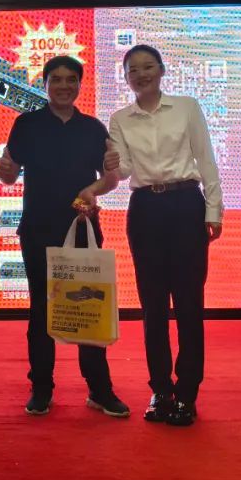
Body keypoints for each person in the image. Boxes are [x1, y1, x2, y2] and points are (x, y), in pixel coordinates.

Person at [94, 44, 222, 428]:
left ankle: (188, 392)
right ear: (125, 77)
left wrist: (213, 210)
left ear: (162, 70)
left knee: (188, 303)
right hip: (145, 209)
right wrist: (110, 165)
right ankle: (161, 390)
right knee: (152, 306)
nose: (141, 74)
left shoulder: (186, 107)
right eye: (133, 70)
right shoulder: (120, 118)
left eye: (148, 66)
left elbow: (207, 159)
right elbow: (124, 171)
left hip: (186, 204)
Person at [0, 56, 129, 418]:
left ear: (79, 85)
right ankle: (41, 388)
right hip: (37, 229)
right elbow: (9, 175)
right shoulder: (26, 125)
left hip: (82, 227)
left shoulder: (93, 128)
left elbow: (111, 179)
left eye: (71, 80)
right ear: (45, 84)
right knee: (41, 309)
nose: (64, 86)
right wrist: (3, 170)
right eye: (56, 79)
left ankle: (99, 389)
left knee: (89, 306)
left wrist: (94, 189)